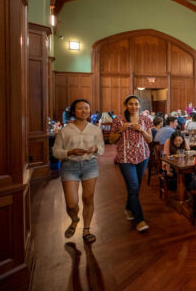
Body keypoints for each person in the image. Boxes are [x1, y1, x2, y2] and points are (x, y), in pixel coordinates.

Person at [52, 99, 104, 244]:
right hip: (70, 166)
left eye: (86, 108)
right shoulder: (65, 130)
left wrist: (95, 149)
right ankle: (75, 219)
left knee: (88, 198)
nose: (84, 111)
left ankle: (86, 229)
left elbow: (101, 147)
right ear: (74, 111)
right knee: (71, 204)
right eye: (80, 108)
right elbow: (56, 151)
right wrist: (70, 152)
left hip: (90, 165)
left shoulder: (95, 129)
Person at [109, 95, 153, 232]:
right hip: (125, 158)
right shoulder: (118, 120)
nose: (133, 106)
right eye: (130, 104)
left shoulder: (145, 119)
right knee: (133, 185)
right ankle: (139, 220)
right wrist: (121, 131)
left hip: (143, 156)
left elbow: (150, 139)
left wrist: (141, 129)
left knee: (135, 186)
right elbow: (111, 140)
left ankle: (128, 208)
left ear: (139, 106)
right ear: (126, 105)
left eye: (136, 104)